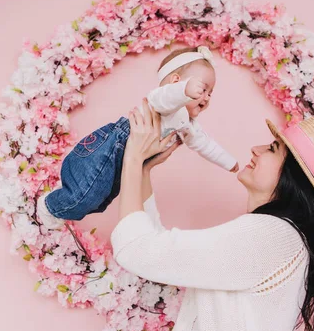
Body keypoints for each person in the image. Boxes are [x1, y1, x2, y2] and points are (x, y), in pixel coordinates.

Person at [110, 99, 314, 331]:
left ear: (293, 177)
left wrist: (132, 157)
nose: (256, 149)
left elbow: (137, 249)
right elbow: (160, 252)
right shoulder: (278, 237)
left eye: (272, 149)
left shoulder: (270, 236)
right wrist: (143, 169)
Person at [37, 46, 238, 229]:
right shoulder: (164, 102)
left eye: (210, 93)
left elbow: (205, 145)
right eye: (203, 89)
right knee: (85, 195)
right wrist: (185, 91)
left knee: (99, 200)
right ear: (176, 82)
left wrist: (230, 163)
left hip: (129, 161)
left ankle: (59, 202)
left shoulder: (188, 124)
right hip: (113, 145)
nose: (206, 97)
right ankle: (50, 205)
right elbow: (164, 96)